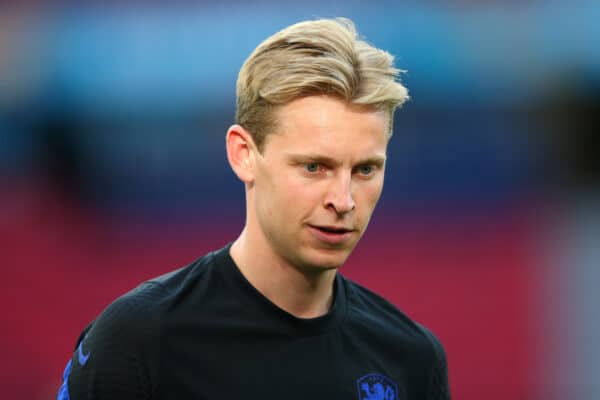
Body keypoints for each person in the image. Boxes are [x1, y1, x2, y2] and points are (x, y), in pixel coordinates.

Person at [57, 17, 450, 399]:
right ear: (243, 154)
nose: (344, 200)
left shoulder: (410, 359)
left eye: (365, 169)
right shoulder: (140, 340)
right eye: (314, 167)